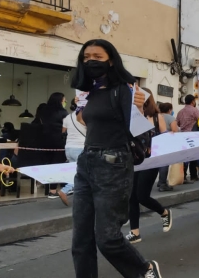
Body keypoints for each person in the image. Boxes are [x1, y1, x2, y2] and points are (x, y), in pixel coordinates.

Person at [71, 39, 162, 278]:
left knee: (108, 238)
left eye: (98, 57)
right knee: (81, 239)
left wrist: (139, 109)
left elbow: (139, 128)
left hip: (113, 164)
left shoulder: (123, 88)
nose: (91, 60)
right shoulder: (90, 92)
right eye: (87, 56)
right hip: (86, 162)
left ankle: (144, 270)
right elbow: (87, 121)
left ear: (110, 60)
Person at [126, 87, 172, 244]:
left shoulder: (157, 117)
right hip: (134, 160)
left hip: (151, 161)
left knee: (142, 196)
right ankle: (135, 232)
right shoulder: (131, 115)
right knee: (132, 196)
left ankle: (164, 212)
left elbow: (165, 139)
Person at [58, 98, 86, 206]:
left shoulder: (67, 117)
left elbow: (63, 132)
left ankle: (78, 195)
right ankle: (65, 190)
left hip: (69, 148)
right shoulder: (84, 117)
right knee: (81, 173)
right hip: (80, 147)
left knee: (73, 173)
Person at [177, 94, 199, 182]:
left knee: (184, 156)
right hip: (193, 135)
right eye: (194, 101)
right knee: (193, 156)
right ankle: (193, 175)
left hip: (183, 135)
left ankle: (183, 176)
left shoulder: (180, 111)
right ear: (192, 101)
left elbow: (178, 124)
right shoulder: (195, 110)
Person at [157, 102, 178, 192]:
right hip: (166, 142)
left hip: (156, 141)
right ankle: (162, 183)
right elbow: (174, 131)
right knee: (164, 163)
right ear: (170, 110)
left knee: (158, 162)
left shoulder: (156, 116)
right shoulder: (170, 118)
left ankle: (160, 181)